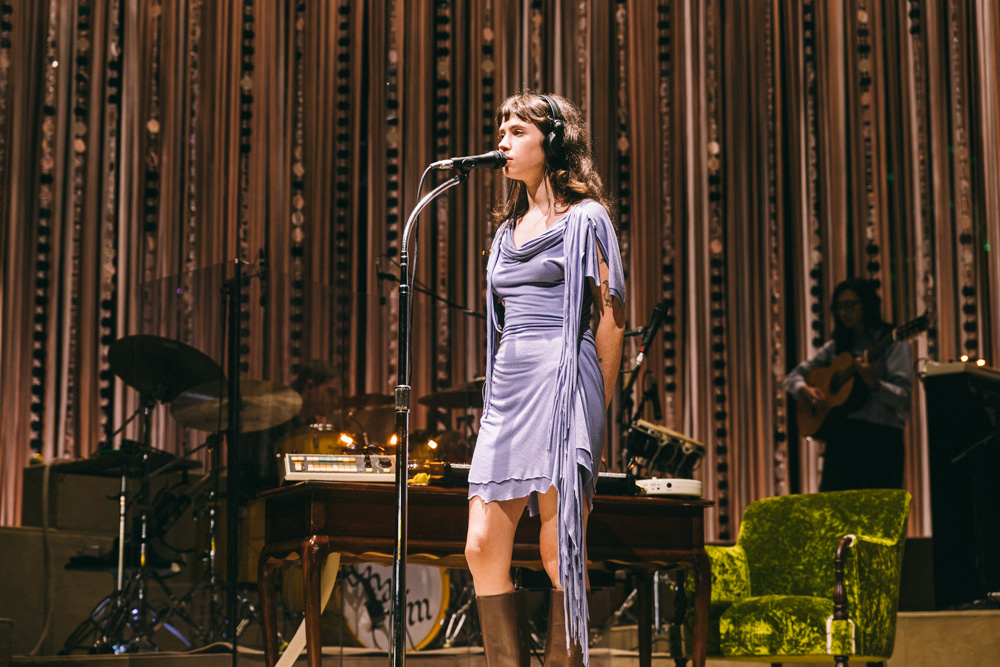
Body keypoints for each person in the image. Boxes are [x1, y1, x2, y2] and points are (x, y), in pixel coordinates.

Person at [464, 92, 626, 666]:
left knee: (560, 548)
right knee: (482, 546)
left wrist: (595, 409)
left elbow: (610, 323)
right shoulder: (506, 230)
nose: (501, 141)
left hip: (564, 383)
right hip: (509, 387)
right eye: (500, 130)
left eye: (516, 130)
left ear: (551, 141)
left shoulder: (587, 218)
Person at [784, 278, 913, 492]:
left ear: (867, 304)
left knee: (877, 514)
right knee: (835, 513)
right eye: (839, 307)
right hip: (842, 439)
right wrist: (805, 389)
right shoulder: (836, 347)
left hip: (881, 440)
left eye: (850, 305)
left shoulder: (894, 343)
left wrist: (875, 385)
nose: (844, 312)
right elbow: (793, 377)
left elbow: (903, 397)